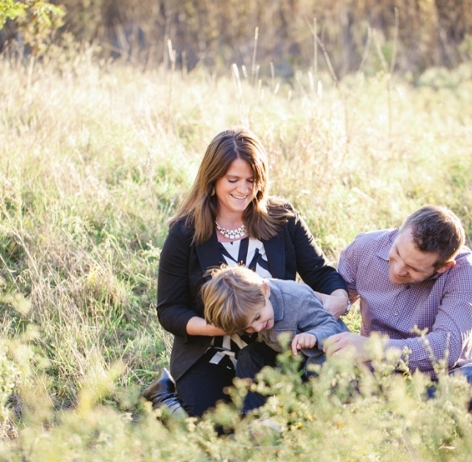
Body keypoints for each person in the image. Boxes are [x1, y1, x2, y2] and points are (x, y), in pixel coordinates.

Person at [144, 127, 349, 418]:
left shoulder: (282, 219)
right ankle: (164, 397)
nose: (243, 189)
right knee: (214, 427)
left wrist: (339, 297)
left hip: (275, 347)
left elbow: (320, 272)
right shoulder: (185, 233)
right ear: (212, 177)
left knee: (287, 419)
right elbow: (169, 311)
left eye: (251, 180)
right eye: (233, 180)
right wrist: (228, 325)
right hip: (212, 349)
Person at [324, 205, 472, 412]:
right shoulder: (364, 248)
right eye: (396, 253)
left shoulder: (465, 273)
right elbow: (332, 301)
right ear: (400, 230)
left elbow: (445, 348)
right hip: (370, 378)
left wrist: (372, 348)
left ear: (443, 267)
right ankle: (389, 417)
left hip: (431, 384)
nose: (397, 270)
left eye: (414, 269)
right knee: (313, 366)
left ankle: (385, 417)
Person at [200, 265, 349, 413]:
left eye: (258, 317)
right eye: (248, 328)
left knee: (324, 376)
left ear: (265, 290)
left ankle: (324, 409)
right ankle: (254, 417)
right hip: (289, 359)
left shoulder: (297, 300)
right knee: (249, 355)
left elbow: (331, 325)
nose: (257, 329)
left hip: (322, 361)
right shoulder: (253, 301)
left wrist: (314, 335)